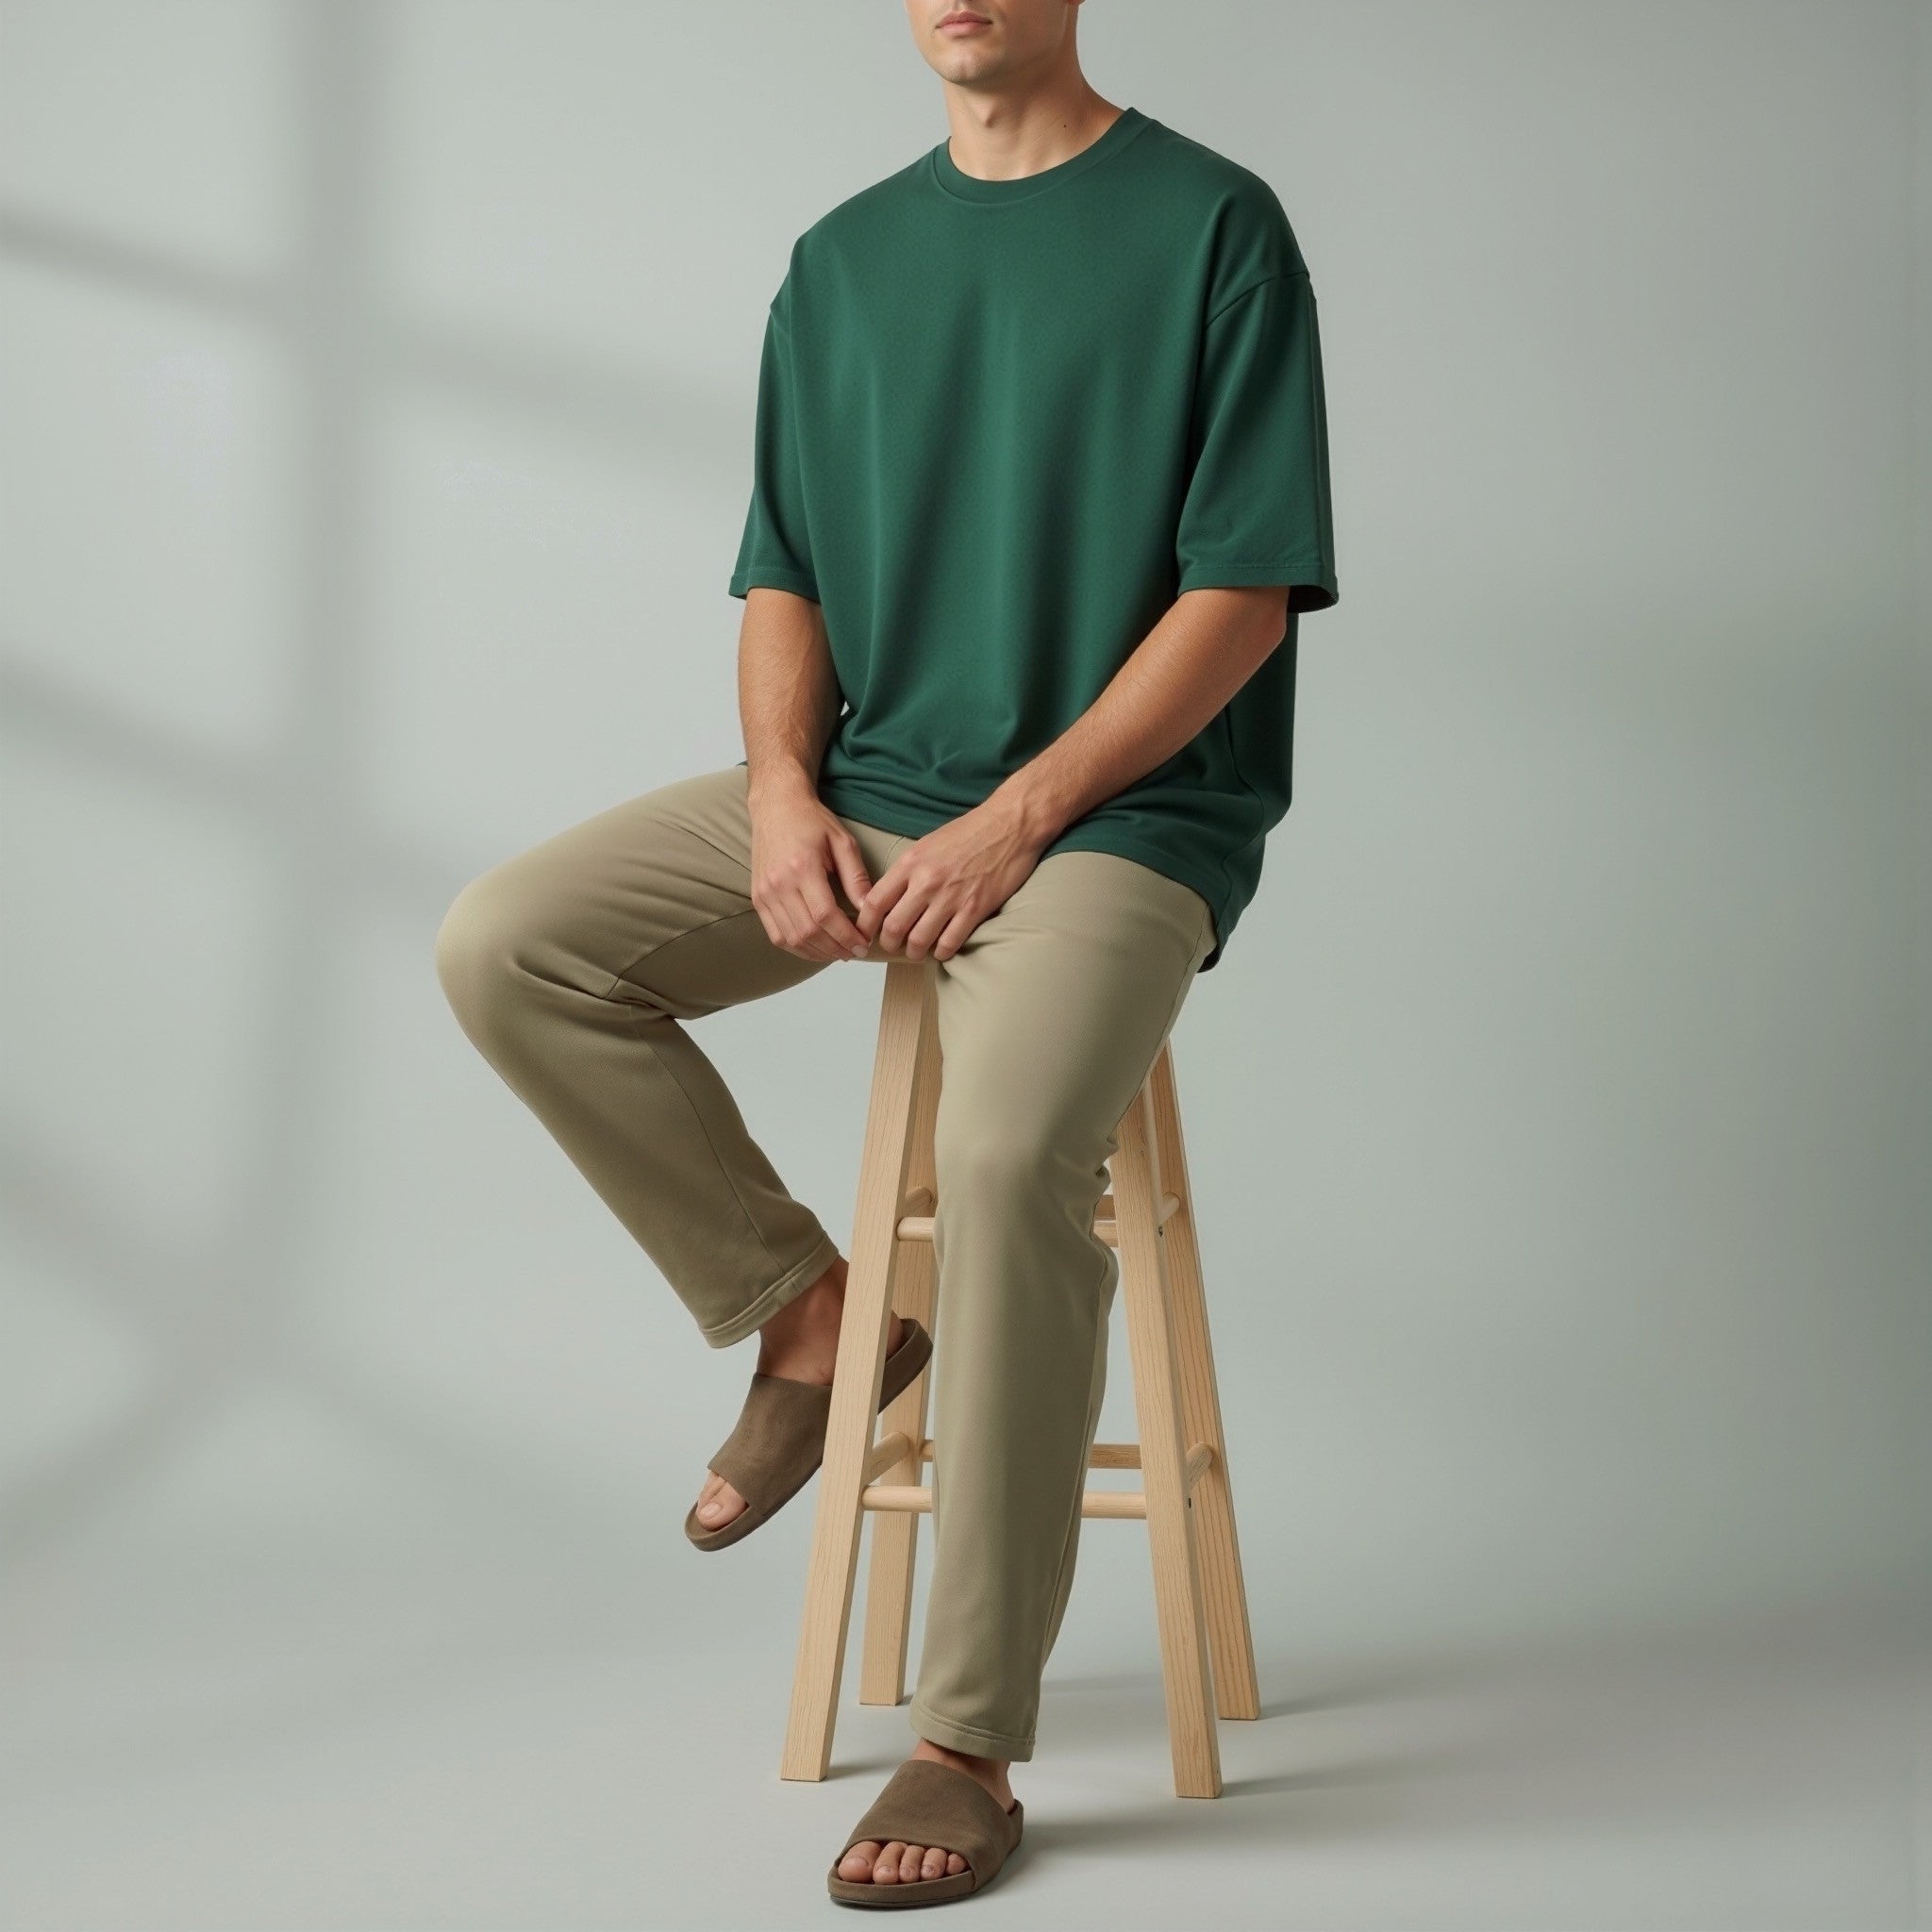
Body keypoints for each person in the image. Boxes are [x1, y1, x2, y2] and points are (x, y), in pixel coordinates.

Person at [435, 0, 1338, 1907]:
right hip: (866, 780)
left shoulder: (1212, 227)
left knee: (1009, 1161)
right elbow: (787, 575)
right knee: (513, 942)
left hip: (1120, 815)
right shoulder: (840, 260)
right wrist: (779, 792)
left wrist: (1022, 817)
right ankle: (812, 1313)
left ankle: (965, 1732)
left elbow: (1240, 589)